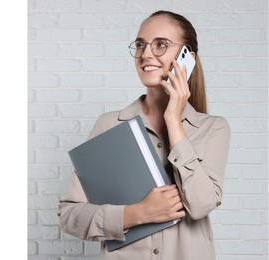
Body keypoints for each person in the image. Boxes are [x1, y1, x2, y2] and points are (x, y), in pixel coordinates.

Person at [59, 10, 229, 259]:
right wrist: (137, 213)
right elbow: (70, 215)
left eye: (161, 44)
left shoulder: (213, 128)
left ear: (187, 58)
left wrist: (174, 121)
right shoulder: (109, 124)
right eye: (140, 45)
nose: (146, 54)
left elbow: (201, 205)